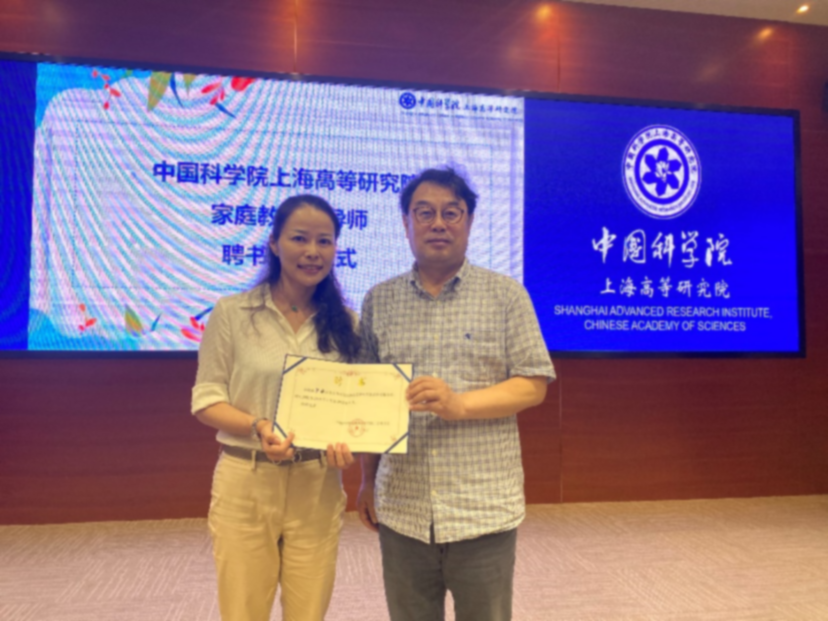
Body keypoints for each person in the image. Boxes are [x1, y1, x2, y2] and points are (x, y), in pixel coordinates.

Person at [356, 168, 556, 621]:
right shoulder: (379, 300)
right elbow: (369, 400)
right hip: (403, 505)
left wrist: (460, 405)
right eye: (424, 213)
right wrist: (367, 481)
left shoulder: (506, 296)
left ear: (469, 220)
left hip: (481, 508)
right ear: (405, 223)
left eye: (452, 213)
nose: (438, 224)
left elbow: (533, 383)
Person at [192, 194, 360, 621]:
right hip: (246, 481)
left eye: (324, 241)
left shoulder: (348, 324)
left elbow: (355, 406)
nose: (312, 251)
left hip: (317, 484)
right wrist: (259, 425)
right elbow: (206, 400)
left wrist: (350, 440)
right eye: (299, 238)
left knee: (309, 612)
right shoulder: (232, 313)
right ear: (273, 243)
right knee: (243, 611)